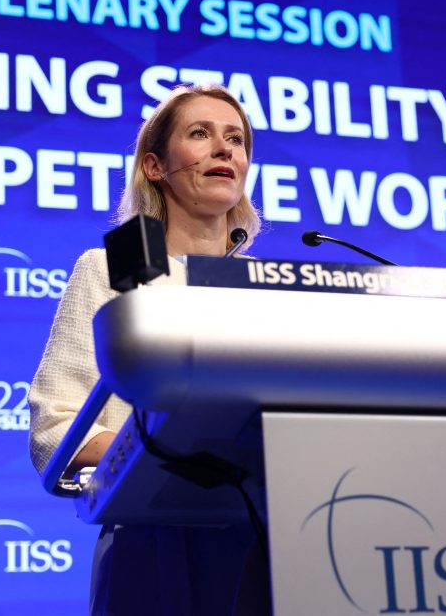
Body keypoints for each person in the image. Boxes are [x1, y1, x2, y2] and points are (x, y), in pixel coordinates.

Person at [28, 84, 267, 615]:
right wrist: (172, 452)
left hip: (262, 539)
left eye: (236, 139)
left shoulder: (263, 284)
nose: (224, 149)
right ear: (155, 166)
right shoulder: (116, 266)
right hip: (152, 541)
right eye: (200, 134)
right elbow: (55, 428)